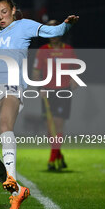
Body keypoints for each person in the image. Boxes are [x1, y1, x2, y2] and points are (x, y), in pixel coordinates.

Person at [0, 0, 79, 209]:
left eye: (4, 11)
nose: (0, 17)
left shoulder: (23, 26)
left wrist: (67, 25)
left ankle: (11, 176)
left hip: (11, 86)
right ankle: (17, 191)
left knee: (6, 124)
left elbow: (53, 32)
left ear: (13, 10)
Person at [32, 19, 78, 171]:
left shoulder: (69, 49)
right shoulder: (42, 50)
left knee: (58, 124)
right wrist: (40, 88)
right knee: (49, 127)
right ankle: (58, 155)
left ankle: (52, 160)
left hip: (63, 91)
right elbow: (36, 71)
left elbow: (76, 69)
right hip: (47, 91)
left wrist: (74, 80)